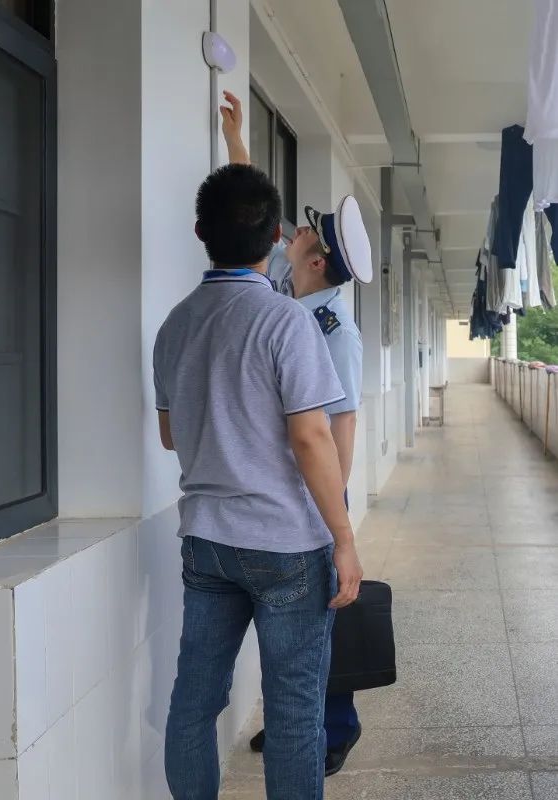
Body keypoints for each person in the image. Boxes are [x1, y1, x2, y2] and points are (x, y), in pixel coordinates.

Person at [154, 136, 364, 797]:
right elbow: (311, 437)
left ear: (199, 234)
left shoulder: (175, 325)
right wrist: (344, 537)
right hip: (286, 545)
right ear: (274, 236)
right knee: (295, 712)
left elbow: (170, 435)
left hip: (206, 539)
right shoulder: (285, 321)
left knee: (194, 701)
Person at [220, 91, 372, 777]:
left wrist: (331, 511)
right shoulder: (291, 285)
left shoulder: (334, 331)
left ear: (315, 262)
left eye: (305, 236)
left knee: (322, 617)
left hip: (314, 492)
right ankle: (296, 723)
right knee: (293, 622)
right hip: (275, 487)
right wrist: (236, 140)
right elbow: (255, 219)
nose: (293, 235)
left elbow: (344, 421)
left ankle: (332, 729)